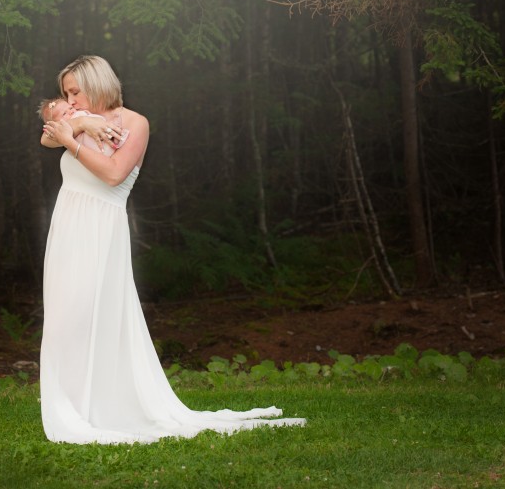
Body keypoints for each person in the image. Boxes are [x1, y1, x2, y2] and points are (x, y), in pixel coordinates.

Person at [38, 54, 305, 444]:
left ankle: (102, 406)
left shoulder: (134, 124)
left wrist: (72, 142)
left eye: (76, 92)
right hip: (67, 228)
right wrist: (78, 124)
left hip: (101, 228)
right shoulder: (77, 121)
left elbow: (114, 175)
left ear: (98, 84)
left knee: (93, 313)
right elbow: (47, 135)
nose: (71, 100)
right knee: (64, 319)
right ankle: (71, 405)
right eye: (66, 94)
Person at [38, 97, 130, 157]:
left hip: (103, 131)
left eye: (70, 108)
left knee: (107, 128)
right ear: (55, 123)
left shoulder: (80, 111)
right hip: (93, 146)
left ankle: (115, 136)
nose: (70, 112)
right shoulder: (64, 128)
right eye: (64, 113)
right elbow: (45, 139)